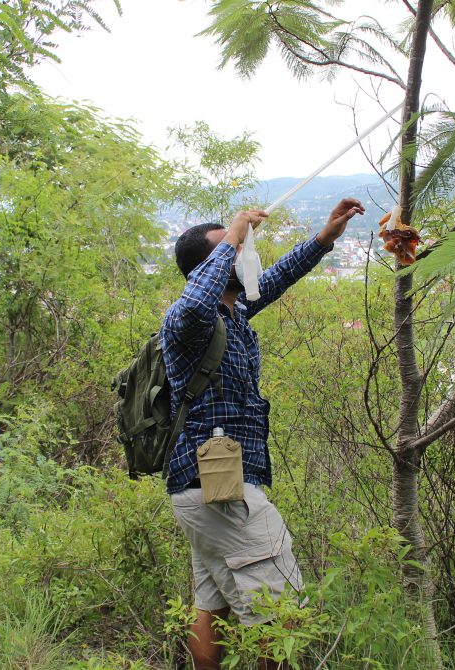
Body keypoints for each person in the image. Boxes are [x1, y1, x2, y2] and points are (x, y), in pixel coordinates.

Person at [163, 198, 365, 669]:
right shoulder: (188, 320)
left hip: (212, 487)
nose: (240, 254)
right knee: (279, 606)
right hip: (215, 486)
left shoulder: (231, 315)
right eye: (229, 251)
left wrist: (325, 238)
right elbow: (195, 302)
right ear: (206, 266)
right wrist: (231, 235)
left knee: (211, 602)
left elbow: (271, 281)